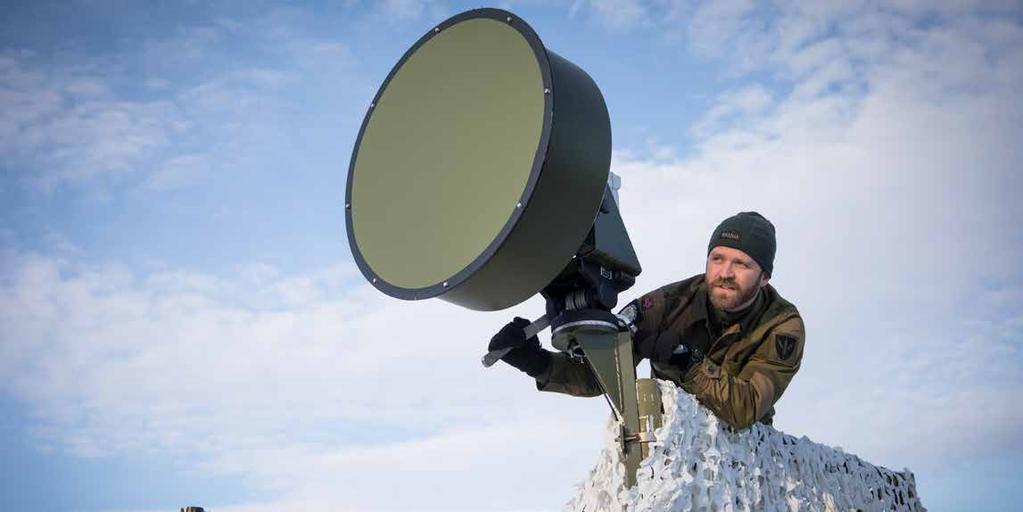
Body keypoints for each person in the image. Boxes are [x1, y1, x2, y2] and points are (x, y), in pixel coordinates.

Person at [487, 212, 805, 430]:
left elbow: (745, 409)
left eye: (741, 264)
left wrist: (685, 360)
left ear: (764, 277)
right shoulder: (668, 303)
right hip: (672, 448)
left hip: (742, 463)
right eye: (717, 258)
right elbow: (600, 377)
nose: (724, 273)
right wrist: (536, 361)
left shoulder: (781, 326)